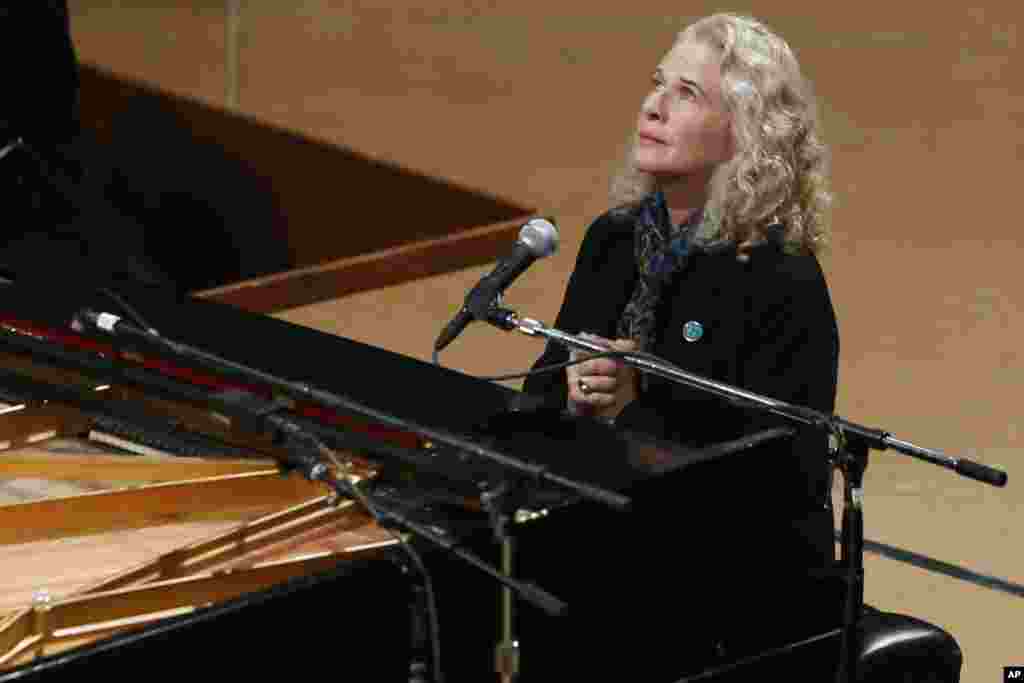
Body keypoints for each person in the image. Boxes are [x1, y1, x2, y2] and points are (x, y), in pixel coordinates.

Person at [518, 13, 841, 679]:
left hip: (732, 595)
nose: (653, 106)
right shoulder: (612, 241)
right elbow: (540, 389)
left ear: (743, 135)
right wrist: (574, 392)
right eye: (656, 84)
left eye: (687, 94)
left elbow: (769, 476)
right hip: (612, 550)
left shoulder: (781, 276)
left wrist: (638, 398)